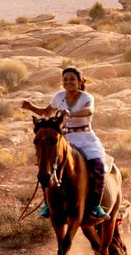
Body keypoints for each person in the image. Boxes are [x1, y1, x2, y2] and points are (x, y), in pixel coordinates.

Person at [22, 66, 110, 218]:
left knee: (98, 165)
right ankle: (47, 205)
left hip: (85, 137)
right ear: (62, 82)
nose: (68, 82)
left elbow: (89, 111)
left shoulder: (86, 97)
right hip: (64, 139)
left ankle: (96, 206)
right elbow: (46, 112)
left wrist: (71, 113)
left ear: (80, 81)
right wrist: (31, 107)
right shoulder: (59, 96)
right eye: (65, 79)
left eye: (72, 79)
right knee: (46, 166)